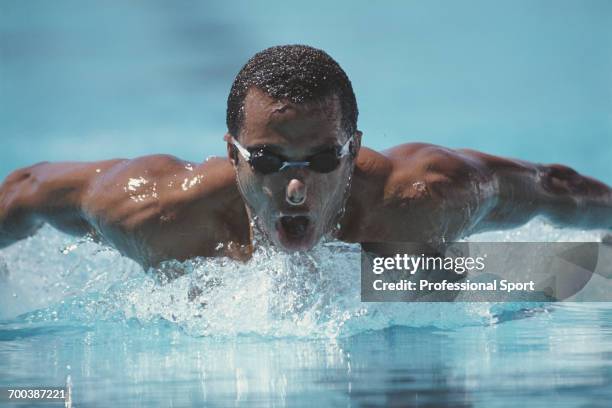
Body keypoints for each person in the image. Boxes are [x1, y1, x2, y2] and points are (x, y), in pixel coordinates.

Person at [1, 45, 611, 269]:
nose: (295, 189)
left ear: (354, 152)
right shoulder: (158, 214)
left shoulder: (423, 197)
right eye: (267, 160)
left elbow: (552, 186)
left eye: (321, 161)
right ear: (232, 156)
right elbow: (27, 187)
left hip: (403, 278)